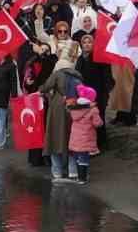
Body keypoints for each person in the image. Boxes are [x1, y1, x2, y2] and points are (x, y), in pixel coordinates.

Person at [40, 44, 81, 180]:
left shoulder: (57, 74)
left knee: (54, 138)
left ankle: (57, 172)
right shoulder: (77, 75)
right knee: (72, 140)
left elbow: (45, 87)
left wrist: (43, 92)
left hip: (58, 109)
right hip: (74, 108)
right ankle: (73, 171)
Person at [74, 31, 113, 150]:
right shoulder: (80, 59)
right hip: (84, 95)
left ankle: (102, 142)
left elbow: (107, 76)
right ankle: (91, 143)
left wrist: (106, 92)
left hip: (99, 94)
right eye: (84, 42)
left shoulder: (99, 58)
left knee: (99, 117)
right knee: (88, 120)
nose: (86, 44)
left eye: (89, 42)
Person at [68, 86, 103, 182]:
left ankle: (79, 176)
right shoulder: (93, 110)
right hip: (86, 139)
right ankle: (82, 178)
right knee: (84, 159)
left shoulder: (74, 109)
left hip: (75, 139)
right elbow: (97, 123)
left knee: (78, 158)